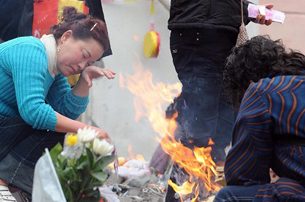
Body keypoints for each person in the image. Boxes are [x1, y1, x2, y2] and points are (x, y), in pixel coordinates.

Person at [0, 7, 115, 201]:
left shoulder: (54, 67)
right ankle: (3, 181)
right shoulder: (32, 51)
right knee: (47, 124)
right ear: (66, 37)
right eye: (84, 54)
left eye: (89, 63)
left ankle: (14, 185)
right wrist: (88, 130)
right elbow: (34, 111)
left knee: (58, 127)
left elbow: (64, 113)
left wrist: (84, 82)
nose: (81, 65)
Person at [164, 1, 273, 201]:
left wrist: (251, 11)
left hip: (224, 35)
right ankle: (183, 196)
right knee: (199, 131)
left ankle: (208, 195)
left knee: (223, 129)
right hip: (197, 34)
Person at [214, 36, 305, 201]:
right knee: (286, 186)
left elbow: (244, 176)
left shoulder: (261, 91)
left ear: (247, 84)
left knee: (229, 197)